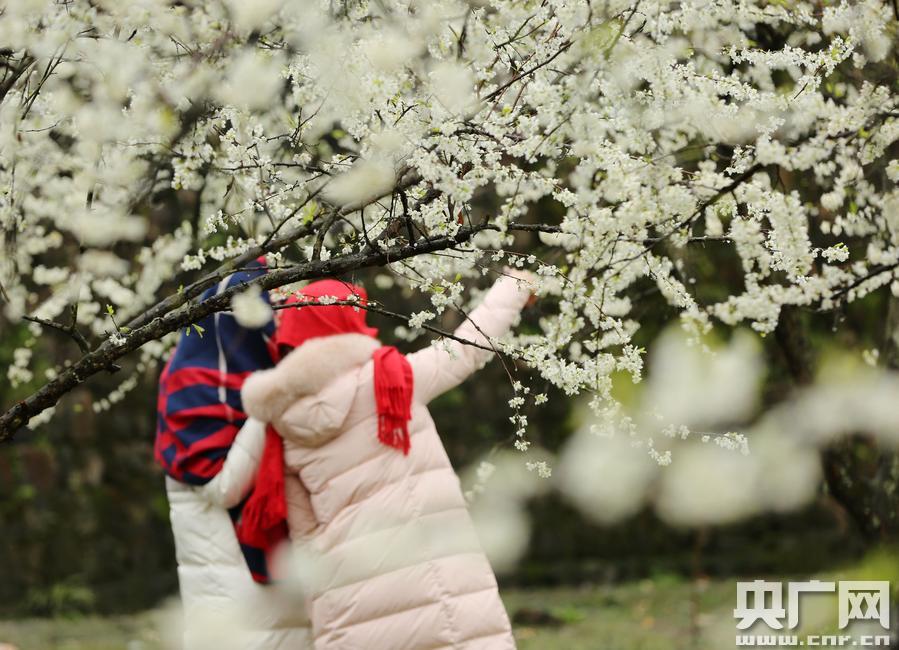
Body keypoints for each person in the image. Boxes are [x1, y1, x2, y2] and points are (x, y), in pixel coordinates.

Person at [239, 270, 533, 649]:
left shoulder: (284, 426)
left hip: (350, 596)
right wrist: (514, 286)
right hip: (435, 578)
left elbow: (306, 538)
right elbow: (466, 349)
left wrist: (326, 611)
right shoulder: (391, 379)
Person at [154, 259, 311, 649]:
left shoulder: (270, 376)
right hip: (229, 589)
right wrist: (266, 407)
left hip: (284, 590)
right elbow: (219, 486)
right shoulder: (192, 385)